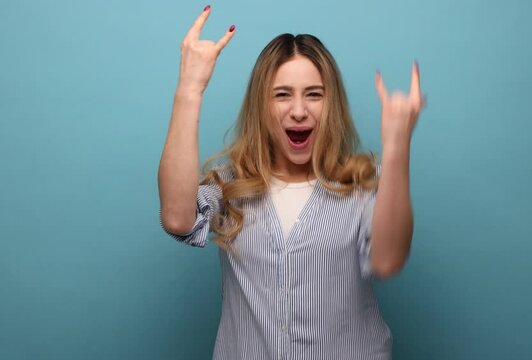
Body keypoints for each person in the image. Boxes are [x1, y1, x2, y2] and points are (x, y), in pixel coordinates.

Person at [158, 5, 423, 359]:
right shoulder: (231, 184)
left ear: (332, 104)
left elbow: (389, 260)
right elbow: (177, 219)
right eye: (282, 94)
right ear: (261, 105)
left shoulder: (365, 183)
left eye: (314, 94)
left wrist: (396, 148)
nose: (299, 110)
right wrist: (189, 89)